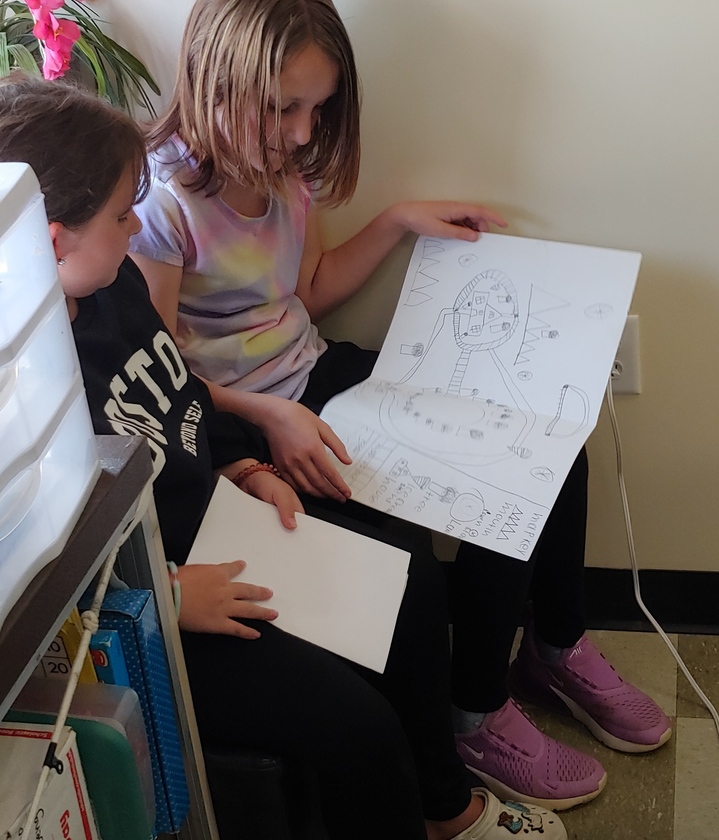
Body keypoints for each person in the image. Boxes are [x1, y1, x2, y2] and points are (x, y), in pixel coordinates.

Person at [129, 0, 671, 807]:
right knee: (425, 542)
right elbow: (163, 384)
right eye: (283, 108)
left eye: (318, 108)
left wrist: (395, 223)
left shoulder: (288, 168)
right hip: (238, 422)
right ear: (216, 78)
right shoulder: (159, 205)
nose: (302, 133)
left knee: (547, 449)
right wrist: (264, 417)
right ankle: (474, 715)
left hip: (317, 375)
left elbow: (306, 292)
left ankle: (552, 648)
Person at [0, 75, 570, 840]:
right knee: (359, 727)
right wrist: (172, 597)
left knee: (412, 588)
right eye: (120, 214)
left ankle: (445, 809)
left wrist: (244, 468)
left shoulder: (114, 286)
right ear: (50, 240)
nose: (136, 226)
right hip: (157, 604)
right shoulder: (30, 389)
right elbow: (47, 576)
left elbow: (181, 401)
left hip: (220, 523)